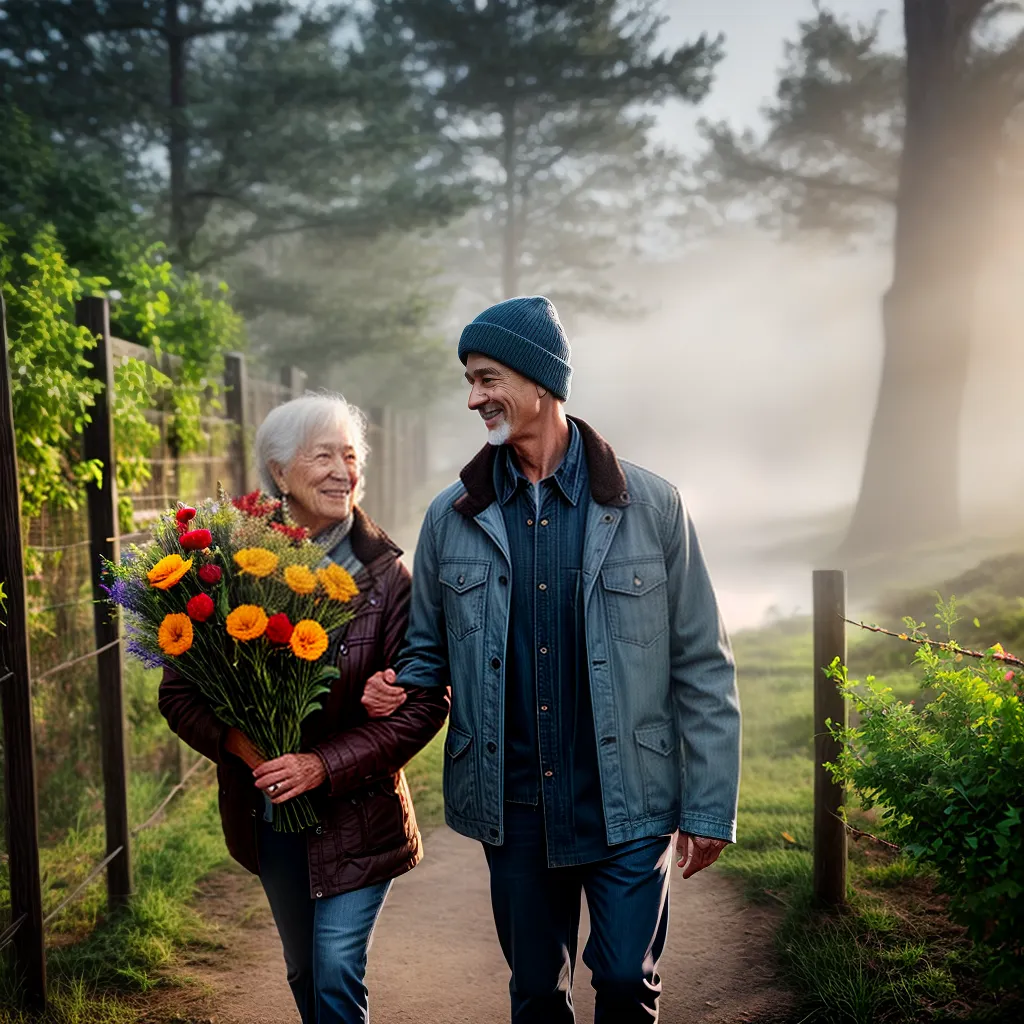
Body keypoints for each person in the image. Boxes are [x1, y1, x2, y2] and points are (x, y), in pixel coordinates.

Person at [363, 296, 741, 1022]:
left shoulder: (652, 506)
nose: (473, 398)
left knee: (625, 981)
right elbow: (427, 651)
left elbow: (702, 663)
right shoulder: (450, 517)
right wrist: (398, 685)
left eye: (488, 379)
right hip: (514, 805)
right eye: (469, 382)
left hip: (629, 798)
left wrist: (708, 806)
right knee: (537, 992)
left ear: (540, 381)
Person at [159, 393, 449, 1024]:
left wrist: (320, 764)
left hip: (359, 813)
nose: (343, 472)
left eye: (351, 456)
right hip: (270, 812)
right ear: (279, 472)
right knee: (304, 970)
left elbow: (424, 705)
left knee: (337, 965)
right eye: (324, 457)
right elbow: (178, 693)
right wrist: (241, 744)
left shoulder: (388, 579)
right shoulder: (225, 568)